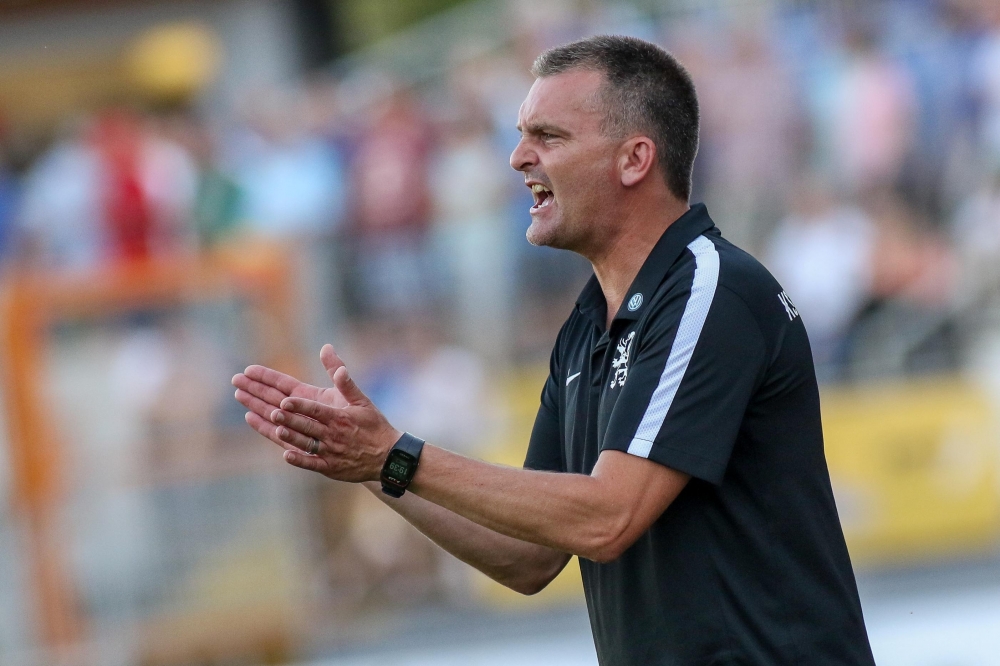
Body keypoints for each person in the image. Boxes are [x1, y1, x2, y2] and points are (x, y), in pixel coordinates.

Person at [233, 35, 875, 665]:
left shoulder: (711, 289)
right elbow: (529, 558)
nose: (517, 158)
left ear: (634, 160)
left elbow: (608, 518)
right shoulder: (586, 327)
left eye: (548, 136)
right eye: (521, 135)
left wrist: (396, 452)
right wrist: (371, 466)